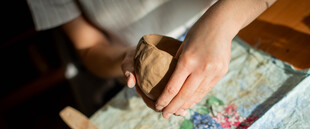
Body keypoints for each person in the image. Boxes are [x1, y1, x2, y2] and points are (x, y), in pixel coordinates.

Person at [27, 0, 277, 118]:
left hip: (233, 26)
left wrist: (222, 23)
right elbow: (89, 48)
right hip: (126, 59)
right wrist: (127, 57)